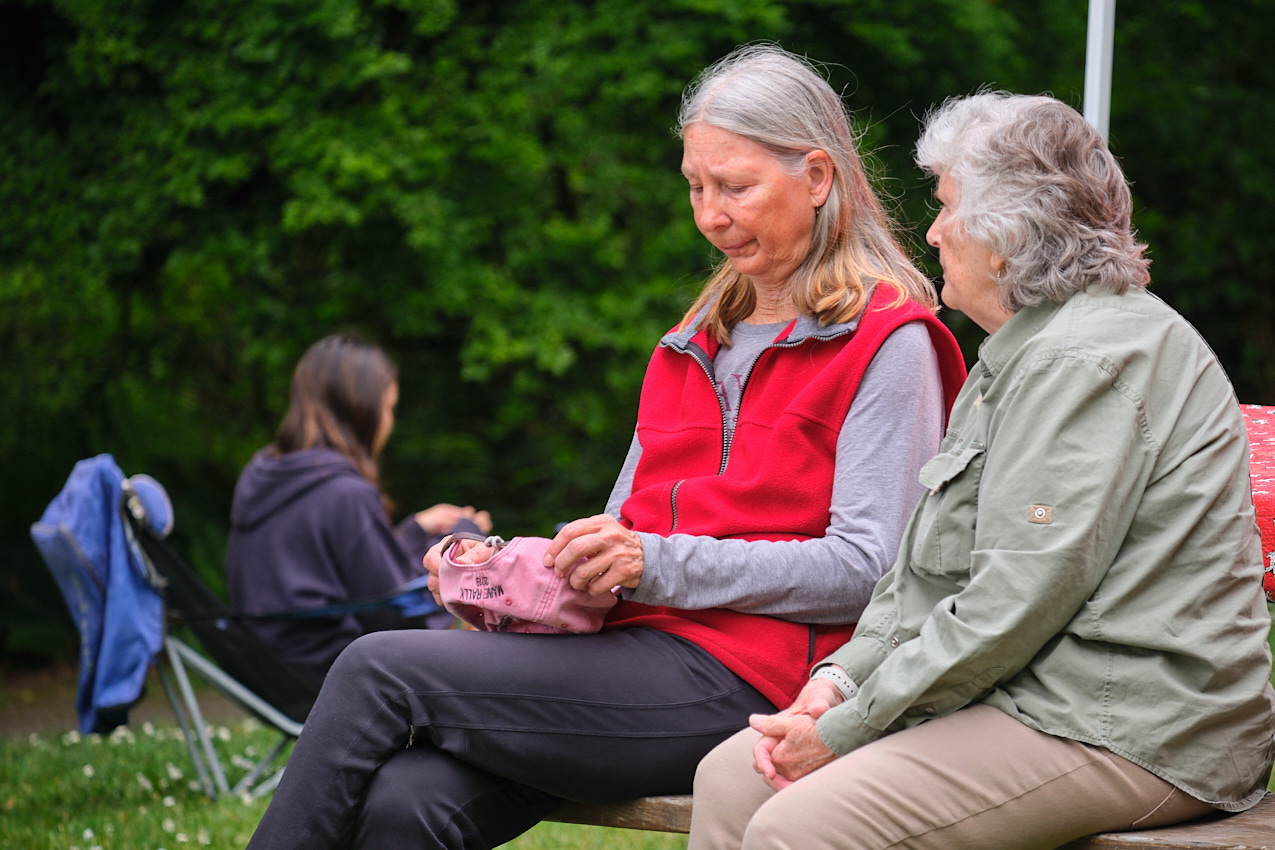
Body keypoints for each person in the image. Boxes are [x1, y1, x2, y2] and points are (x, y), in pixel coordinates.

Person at [245, 44, 967, 849]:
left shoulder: (889, 343)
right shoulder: (690, 343)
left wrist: (655, 564)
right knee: (406, 803)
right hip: (630, 660)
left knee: (378, 667)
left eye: (734, 187)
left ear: (817, 178)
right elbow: (629, 527)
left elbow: (871, 569)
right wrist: (534, 573)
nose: (709, 215)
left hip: (760, 685)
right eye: (695, 186)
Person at [689, 91, 1275, 850]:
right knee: (733, 777)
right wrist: (838, 684)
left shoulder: (1084, 360)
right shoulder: (1021, 349)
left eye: (945, 206)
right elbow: (924, 579)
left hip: (1129, 724)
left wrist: (849, 727)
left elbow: (1011, 604)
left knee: (803, 826)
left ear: (1004, 236)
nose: (930, 231)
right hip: (1031, 695)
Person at [224, 333, 492, 690]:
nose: (389, 422)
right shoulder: (345, 493)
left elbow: (342, 574)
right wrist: (460, 539)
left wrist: (415, 529)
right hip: (335, 676)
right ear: (362, 409)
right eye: (389, 408)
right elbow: (393, 615)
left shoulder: (264, 475)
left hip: (265, 670)